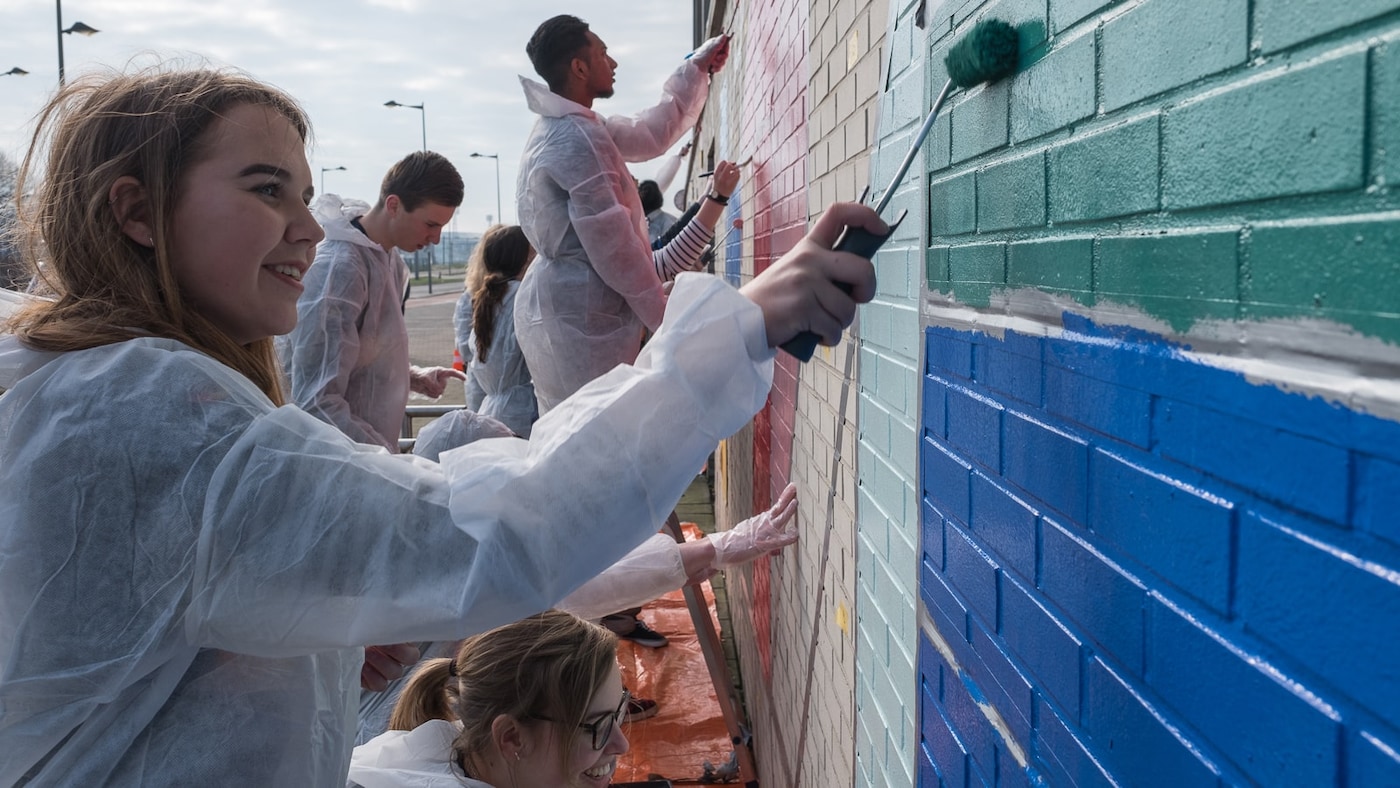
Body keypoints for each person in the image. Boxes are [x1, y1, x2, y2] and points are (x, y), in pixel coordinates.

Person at [0, 65, 881, 784]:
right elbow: (503, 527)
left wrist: (317, 634)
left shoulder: (83, 394)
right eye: (267, 190)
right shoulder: (147, 417)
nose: (309, 229)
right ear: (135, 211)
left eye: (304, 194)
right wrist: (738, 326)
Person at [515, 15, 731, 415]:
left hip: (569, 312)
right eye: (602, 53)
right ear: (579, 68)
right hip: (583, 320)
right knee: (599, 428)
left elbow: (647, 132)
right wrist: (665, 320)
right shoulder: (576, 140)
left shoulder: (569, 128)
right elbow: (615, 249)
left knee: (581, 426)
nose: (613, 62)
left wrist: (695, 68)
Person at [279, 151, 466, 453]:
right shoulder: (339, 271)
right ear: (393, 205)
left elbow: (354, 359)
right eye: (430, 224)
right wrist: (386, 463)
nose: (436, 239)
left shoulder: (389, 263)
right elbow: (315, 401)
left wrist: (412, 377)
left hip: (363, 455)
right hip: (336, 459)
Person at [348, 610, 626, 787]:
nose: (621, 744)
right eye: (597, 726)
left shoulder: (467, 746)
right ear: (511, 738)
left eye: (618, 712)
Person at [463, 225, 538, 437]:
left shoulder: (490, 297)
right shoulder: (523, 295)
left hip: (491, 410)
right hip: (521, 413)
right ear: (525, 257)